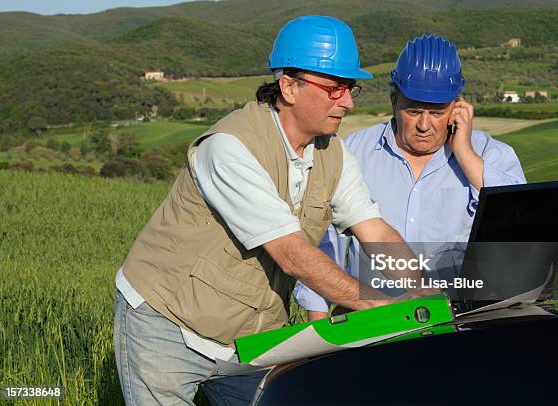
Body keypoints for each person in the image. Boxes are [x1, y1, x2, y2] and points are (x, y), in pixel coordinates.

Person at [113, 16, 431, 406]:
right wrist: (381, 308)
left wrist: (422, 293)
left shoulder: (335, 154)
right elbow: (293, 254)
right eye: (334, 88)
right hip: (167, 324)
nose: (347, 101)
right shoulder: (231, 147)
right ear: (289, 87)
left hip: (251, 338)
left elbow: (375, 232)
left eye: (350, 88)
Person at [294, 34, 527, 321]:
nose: (424, 125)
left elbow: (524, 225)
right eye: (414, 111)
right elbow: (324, 240)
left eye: (437, 112)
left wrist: (465, 154)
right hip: (375, 319)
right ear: (394, 100)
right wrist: (319, 321)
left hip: (463, 321)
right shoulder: (353, 151)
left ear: (457, 106)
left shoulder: (491, 155)